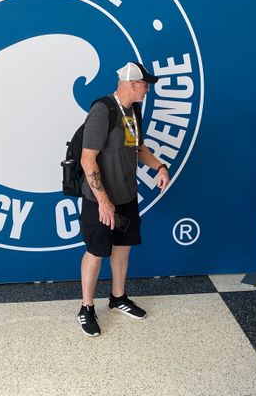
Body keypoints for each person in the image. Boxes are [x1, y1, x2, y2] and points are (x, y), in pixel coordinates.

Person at [77, 62, 170, 337]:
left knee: (123, 247)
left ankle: (118, 298)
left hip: (127, 194)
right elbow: (87, 158)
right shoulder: (102, 110)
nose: (148, 89)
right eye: (145, 84)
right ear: (132, 83)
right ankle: (86, 307)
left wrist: (159, 167)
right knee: (96, 251)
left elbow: (138, 147)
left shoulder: (134, 111)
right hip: (100, 200)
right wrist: (104, 201)